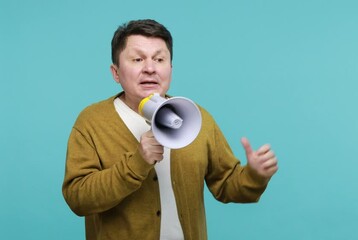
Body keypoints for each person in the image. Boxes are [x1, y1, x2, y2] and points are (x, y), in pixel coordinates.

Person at [62, 19, 278, 240]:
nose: (150, 68)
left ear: (170, 69)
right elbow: (78, 198)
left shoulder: (196, 117)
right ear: (115, 72)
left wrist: (254, 175)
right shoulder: (91, 122)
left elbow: (227, 184)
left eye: (159, 59)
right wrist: (137, 163)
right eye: (137, 59)